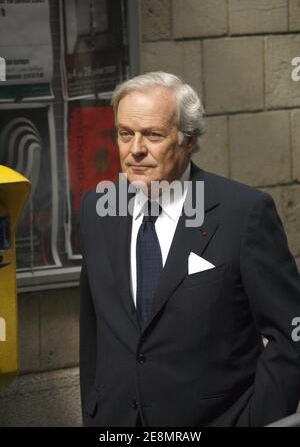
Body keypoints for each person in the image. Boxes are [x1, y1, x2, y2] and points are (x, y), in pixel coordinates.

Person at [79, 71, 300, 427]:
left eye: (153, 135)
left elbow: (291, 334)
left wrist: (259, 419)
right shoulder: (96, 209)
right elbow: (94, 332)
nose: (135, 149)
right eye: (125, 134)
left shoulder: (242, 213)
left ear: (189, 138)